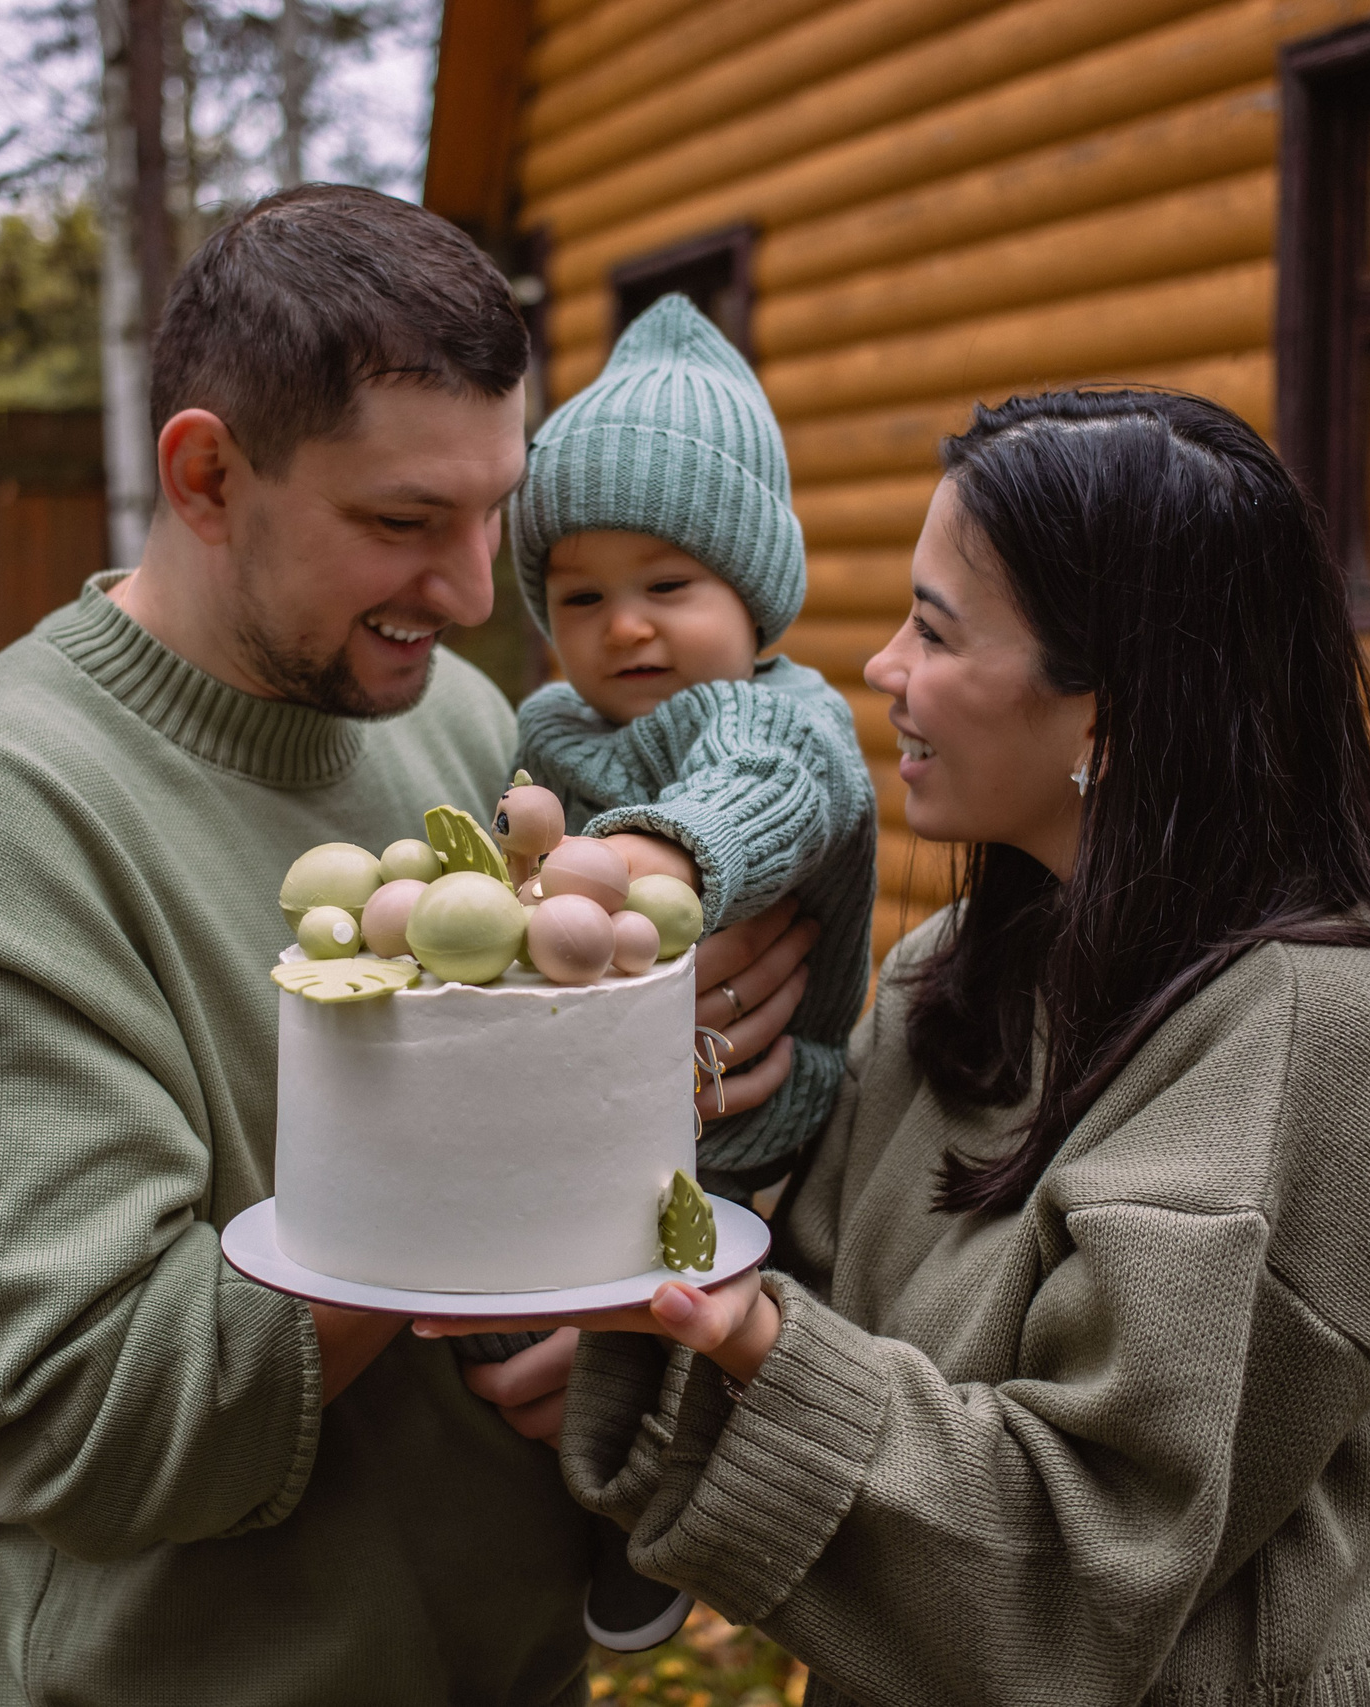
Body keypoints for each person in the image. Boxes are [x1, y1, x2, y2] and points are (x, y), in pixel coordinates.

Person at [0, 184, 816, 1706]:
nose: (471, 594)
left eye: (493, 514)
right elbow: (89, 1420)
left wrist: (650, 1133)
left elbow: (541, 1227)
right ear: (205, 475)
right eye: (401, 522)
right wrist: (475, 1166)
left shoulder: (458, 723)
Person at [436, 389, 1370, 1707]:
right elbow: (815, 1307)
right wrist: (651, 1251)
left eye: (934, 630)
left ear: (1105, 711)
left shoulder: (1317, 1041)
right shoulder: (956, 963)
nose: (880, 667)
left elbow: (1076, 1580)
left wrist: (741, 1339)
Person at [454, 290, 875, 1653]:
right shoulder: (543, 726)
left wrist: (660, 864)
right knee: (502, 1301)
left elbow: (765, 792)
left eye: (669, 585)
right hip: (573, 1096)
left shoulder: (785, 713)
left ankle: (658, 1520)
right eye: (582, 594)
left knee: (674, 1303)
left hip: (753, 1113)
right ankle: (555, 1503)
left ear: (756, 596)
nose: (625, 625)